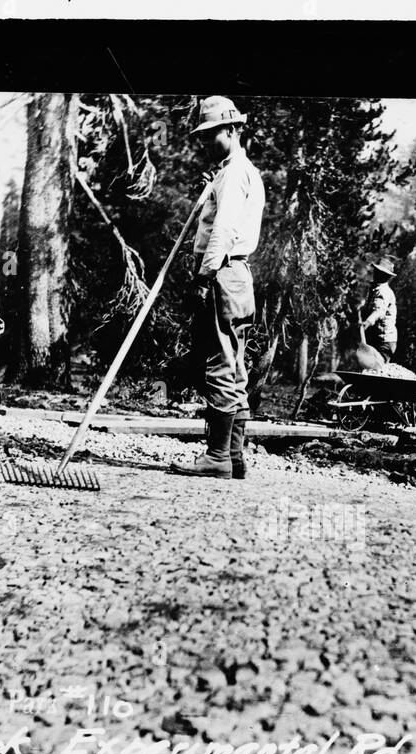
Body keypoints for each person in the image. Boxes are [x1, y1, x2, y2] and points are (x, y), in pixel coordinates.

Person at [171, 96, 266, 480]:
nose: (207, 141)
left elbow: (223, 230)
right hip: (239, 276)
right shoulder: (239, 173)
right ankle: (235, 455)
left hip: (223, 274)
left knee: (219, 362)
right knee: (236, 362)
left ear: (231, 130)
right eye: (204, 135)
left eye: (212, 134)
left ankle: (217, 457)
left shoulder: (232, 174)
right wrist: (210, 190)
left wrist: (203, 276)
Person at [359, 256, 398, 362]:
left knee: (377, 366)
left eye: (381, 273)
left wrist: (368, 321)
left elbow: (379, 310)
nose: (377, 274)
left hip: (384, 340)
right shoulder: (373, 290)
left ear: (387, 277)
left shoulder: (384, 292)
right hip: (374, 338)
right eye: (376, 271)